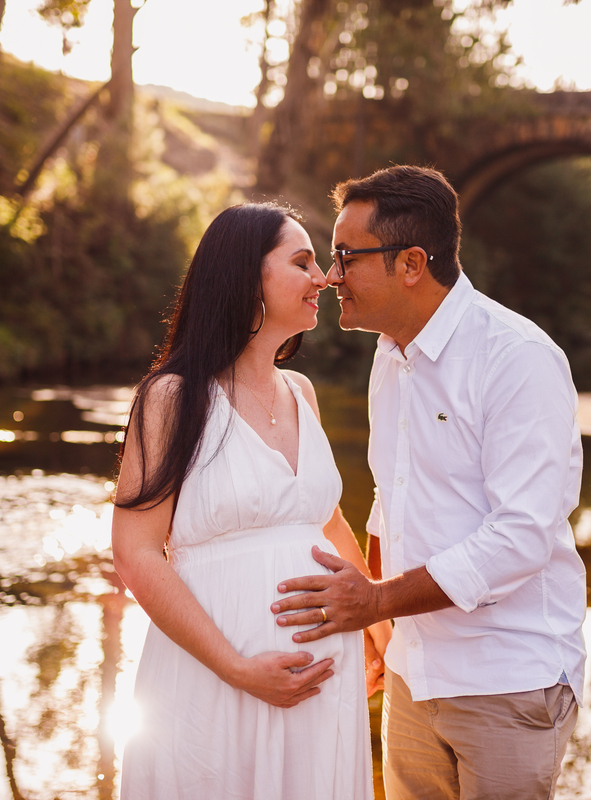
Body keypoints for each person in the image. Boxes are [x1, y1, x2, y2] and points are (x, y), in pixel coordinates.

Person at [271, 166, 587, 799]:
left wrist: (377, 601)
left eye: (346, 257)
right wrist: (381, 634)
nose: (332, 276)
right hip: (414, 676)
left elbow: (521, 536)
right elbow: (392, 503)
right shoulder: (391, 356)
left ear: (411, 263)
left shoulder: (516, 358)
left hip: (507, 679)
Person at [112, 203, 389, 800]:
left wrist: (377, 625)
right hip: (214, 679)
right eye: (303, 262)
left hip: (320, 682)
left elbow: (329, 522)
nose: (324, 278)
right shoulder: (171, 398)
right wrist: (236, 668)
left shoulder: (302, 393)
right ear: (247, 279)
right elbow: (136, 553)